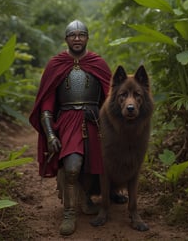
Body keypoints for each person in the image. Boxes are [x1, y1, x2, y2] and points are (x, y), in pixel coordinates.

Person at [29, 19, 124, 236]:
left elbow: (110, 97)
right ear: (66, 39)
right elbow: (46, 106)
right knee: (72, 167)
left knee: (96, 165)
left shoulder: (97, 63)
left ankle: (87, 198)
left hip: (95, 120)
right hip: (68, 121)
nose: (77, 38)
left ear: (87, 38)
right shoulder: (56, 64)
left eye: (82, 35)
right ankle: (69, 213)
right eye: (73, 35)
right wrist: (51, 134)